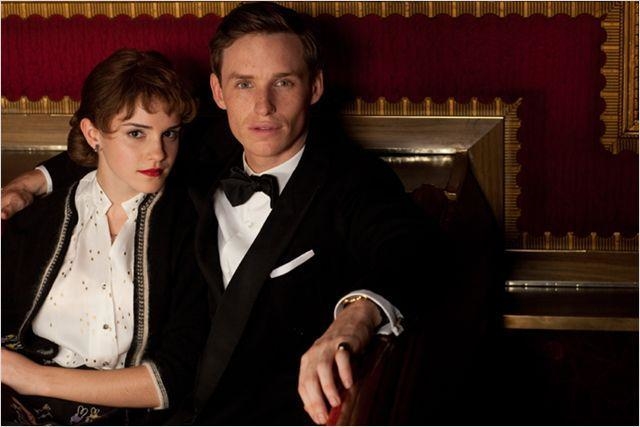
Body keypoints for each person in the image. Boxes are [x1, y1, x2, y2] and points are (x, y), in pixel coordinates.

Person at [1, 3, 449, 424]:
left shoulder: (352, 179)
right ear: (218, 91)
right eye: (244, 84)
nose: (263, 106)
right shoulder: (199, 146)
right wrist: (33, 181)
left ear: (314, 87)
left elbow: (413, 252)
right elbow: (117, 142)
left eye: (284, 83)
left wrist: (354, 317)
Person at [1, 48, 209, 425]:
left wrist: (32, 378)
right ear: (92, 133)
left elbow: (171, 378)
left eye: (170, 134)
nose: (158, 153)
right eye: (136, 133)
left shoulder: (192, 229)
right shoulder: (39, 218)